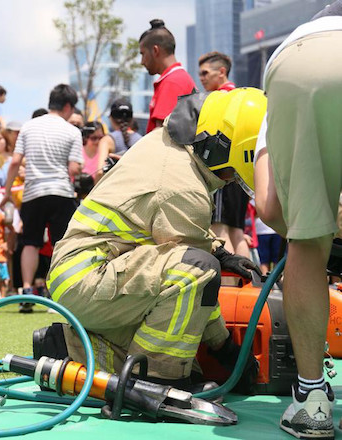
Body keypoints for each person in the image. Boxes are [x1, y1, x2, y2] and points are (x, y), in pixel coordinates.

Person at [43, 88, 265, 392]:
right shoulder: (183, 187)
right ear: (220, 148)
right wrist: (224, 346)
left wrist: (219, 251)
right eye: (232, 172)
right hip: (88, 276)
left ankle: (70, 349)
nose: (229, 179)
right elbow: (198, 276)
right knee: (195, 271)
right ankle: (160, 381)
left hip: (83, 270)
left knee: (163, 322)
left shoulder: (165, 146)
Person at [254, 2, 342, 438]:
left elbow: (269, 209)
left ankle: (313, 404)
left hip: (299, 65)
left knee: (305, 243)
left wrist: (317, 237)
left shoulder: (286, 67)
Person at [1, 84, 83, 313]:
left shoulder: (28, 127)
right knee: (60, 244)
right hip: (61, 192)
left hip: (33, 192)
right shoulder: (72, 131)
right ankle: (58, 294)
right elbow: (74, 168)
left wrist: (7, 192)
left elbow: (15, 162)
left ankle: (26, 291)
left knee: (30, 242)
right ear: (67, 106)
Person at [197, 51, 248, 258]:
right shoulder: (241, 96)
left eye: (205, 73)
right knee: (237, 233)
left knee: (220, 233)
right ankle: (249, 287)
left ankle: (226, 289)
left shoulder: (220, 98)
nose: (201, 78)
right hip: (242, 173)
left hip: (223, 171)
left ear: (222, 72)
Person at [139, 19, 196, 133]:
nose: (142, 61)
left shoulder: (173, 82)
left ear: (155, 50)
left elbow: (160, 135)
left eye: (143, 54)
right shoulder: (178, 78)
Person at [95, 99, 142, 182]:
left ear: (111, 118)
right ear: (131, 119)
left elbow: (100, 172)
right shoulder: (142, 140)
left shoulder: (107, 140)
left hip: (113, 190)